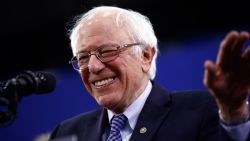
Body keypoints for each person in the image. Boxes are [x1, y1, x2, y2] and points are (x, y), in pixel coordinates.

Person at [49, 6, 250, 141]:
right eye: (83, 57)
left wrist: (234, 113)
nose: (93, 66)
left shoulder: (202, 110)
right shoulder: (67, 133)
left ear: (146, 55)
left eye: (107, 51)